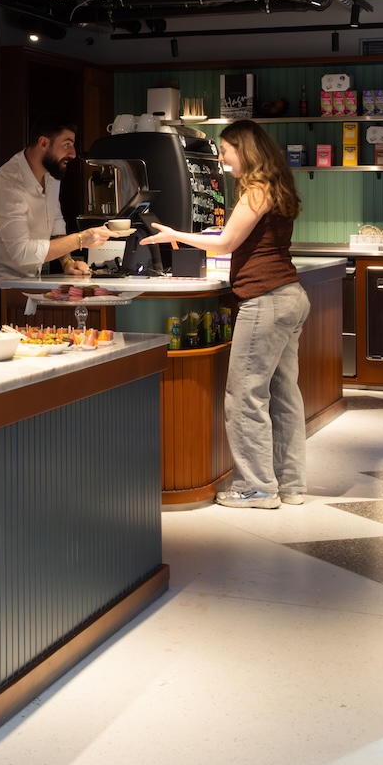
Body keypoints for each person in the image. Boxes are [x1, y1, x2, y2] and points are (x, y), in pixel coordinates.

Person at [149, 118, 309, 510]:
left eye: (226, 151)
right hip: (289, 295)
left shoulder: (255, 189)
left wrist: (174, 235)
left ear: (245, 150)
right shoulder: (276, 185)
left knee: (245, 397)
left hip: (265, 299)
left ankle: (257, 488)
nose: (222, 159)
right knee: (284, 396)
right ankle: (290, 485)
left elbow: (224, 243)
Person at [0, 113, 111, 286]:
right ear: (43, 143)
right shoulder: (8, 186)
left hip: (34, 279)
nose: (72, 154)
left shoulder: (51, 174)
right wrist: (81, 239)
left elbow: (55, 220)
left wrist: (67, 262)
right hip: (3, 286)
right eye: (67, 145)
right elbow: (22, 253)